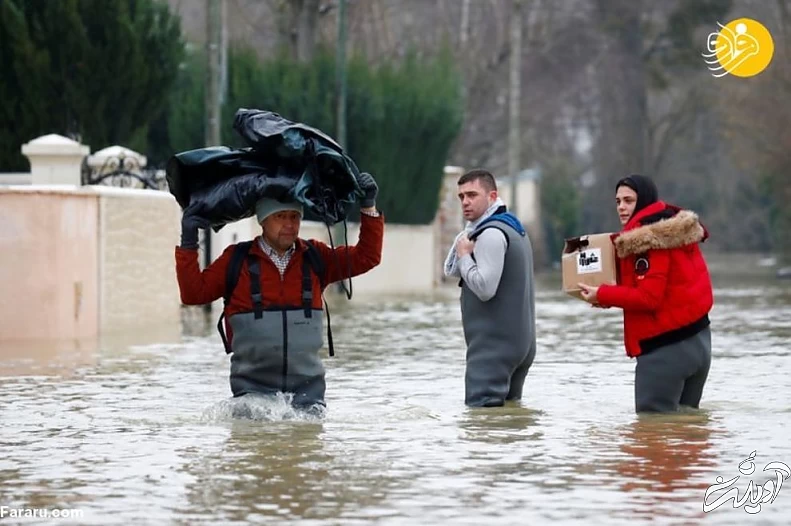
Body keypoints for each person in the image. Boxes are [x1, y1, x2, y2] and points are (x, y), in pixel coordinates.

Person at [175, 172, 383, 411]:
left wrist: (368, 207)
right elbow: (193, 294)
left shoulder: (316, 258)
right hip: (250, 402)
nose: (289, 224)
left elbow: (367, 257)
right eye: (280, 216)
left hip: (309, 402)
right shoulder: (236, 260)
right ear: (263, 221)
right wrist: (189, 238)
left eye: (295, 216)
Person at [578, 174, 713, 413]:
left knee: (652, 433)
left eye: (628, 200)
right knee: (688, 436)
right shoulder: (676, 232)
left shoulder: (647, 240)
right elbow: (665, 288)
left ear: (644, 201)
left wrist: (603, 295)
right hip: (700, 343)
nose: (621, 207)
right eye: (618, 201)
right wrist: (605, 295)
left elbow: (648, 297)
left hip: (666, 351)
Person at [443, 169, 536, 407]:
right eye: (461, 196)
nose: (465, 201)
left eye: (472, 194)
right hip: (520, 345)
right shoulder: (514, 228)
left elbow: (485, 288)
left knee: (482, 424)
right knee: (508, 425)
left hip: (493, 349)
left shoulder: (491, 234)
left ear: (492, 196)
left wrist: (464, 256)